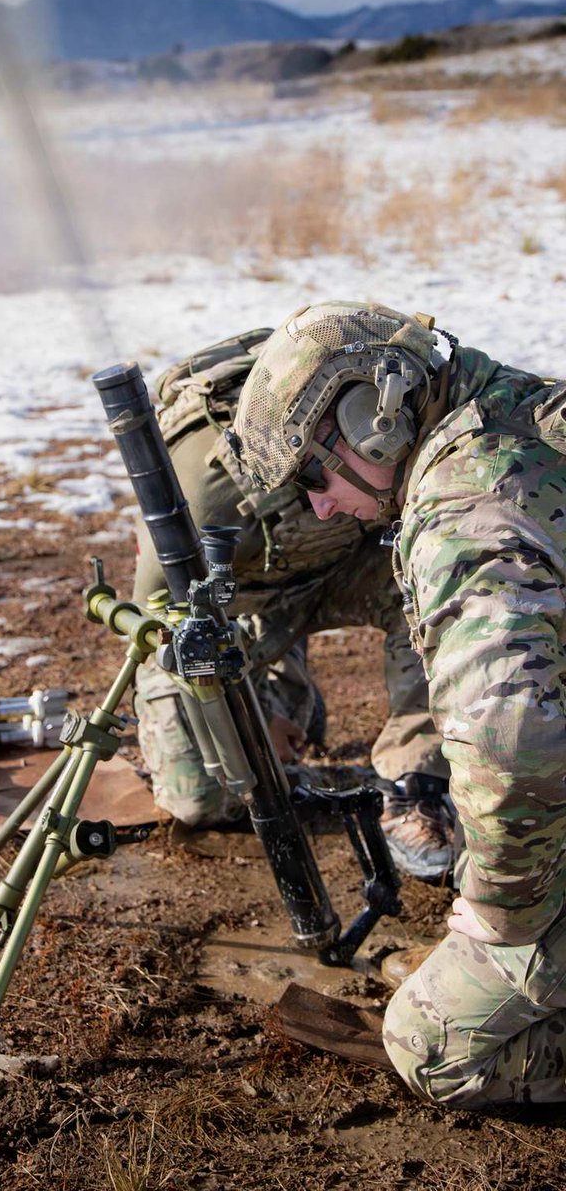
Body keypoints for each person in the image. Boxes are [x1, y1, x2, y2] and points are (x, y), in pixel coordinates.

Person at [229, 299, 566, 1106]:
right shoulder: (525, 411)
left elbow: (513, 736)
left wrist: (503, 917)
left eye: (315, 471)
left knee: (431, 1045)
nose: (317, 505)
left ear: (370, 415)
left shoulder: (461, 509)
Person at [133, 327, 453, 880]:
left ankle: (414, 784)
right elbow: (161, 624)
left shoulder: (401, 427)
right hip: (229, 613)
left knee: (431, 586)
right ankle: (278, 681)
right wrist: (256, 721)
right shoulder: (207, 492)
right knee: (203, 801)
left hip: (329, 576)